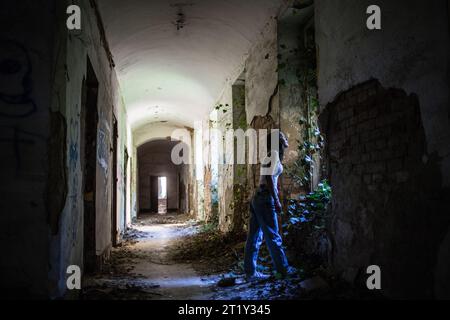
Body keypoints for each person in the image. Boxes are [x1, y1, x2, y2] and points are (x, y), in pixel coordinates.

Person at [243, 130, 296, 281]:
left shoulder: (269, 155)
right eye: (283, 140)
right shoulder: (273, 156)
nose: (285, 143)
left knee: (254, 237)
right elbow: (269, 179)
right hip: (265, 199)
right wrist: (277, 201)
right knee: (273, 236)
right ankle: (284, 270)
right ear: (278, 143)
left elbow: (269, 178)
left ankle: (250, 272)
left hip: (258, 198)